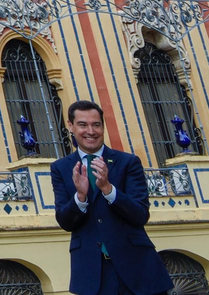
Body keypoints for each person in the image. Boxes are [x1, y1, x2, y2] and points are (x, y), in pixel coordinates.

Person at [49, 100, 174, 295]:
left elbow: (140, 214)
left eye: (96, 125)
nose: (91, 131)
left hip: (138, 270)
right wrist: (80, 196)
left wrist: (108, 189)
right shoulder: (61, 168)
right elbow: (65, 221)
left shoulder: (127, 162)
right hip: (92, 275)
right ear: (70, 126)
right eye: (83, 125)